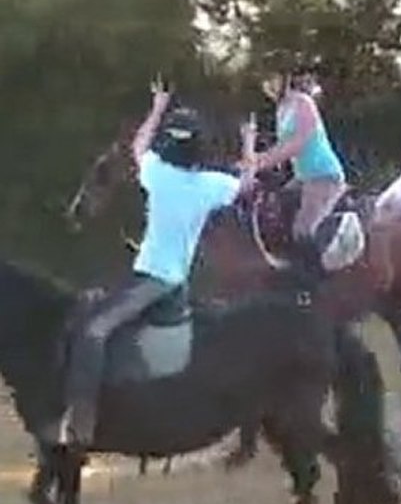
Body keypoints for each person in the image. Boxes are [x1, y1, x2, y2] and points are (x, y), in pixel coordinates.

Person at [57, 78, 257, 450]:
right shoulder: (211, 185)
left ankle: (80, 423)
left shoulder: (156, 174)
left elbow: (137, 146)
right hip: (178, 281)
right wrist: (248, 142)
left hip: (150, 279)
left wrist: (158, 106)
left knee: (93, 332)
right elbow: (247, 181)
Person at [243, 59, 346, 269]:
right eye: (264, 82)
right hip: (302, 177)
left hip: (323, 176)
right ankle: (283, 265)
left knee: (303, 229)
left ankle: (309, 283)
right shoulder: (281, 109)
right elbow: (281, 148)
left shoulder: (303, 103)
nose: (268, 86)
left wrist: (258, 163)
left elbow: (297, 143)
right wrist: (253, 161)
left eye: (271, 80)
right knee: (274, 210)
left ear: (284, 80)